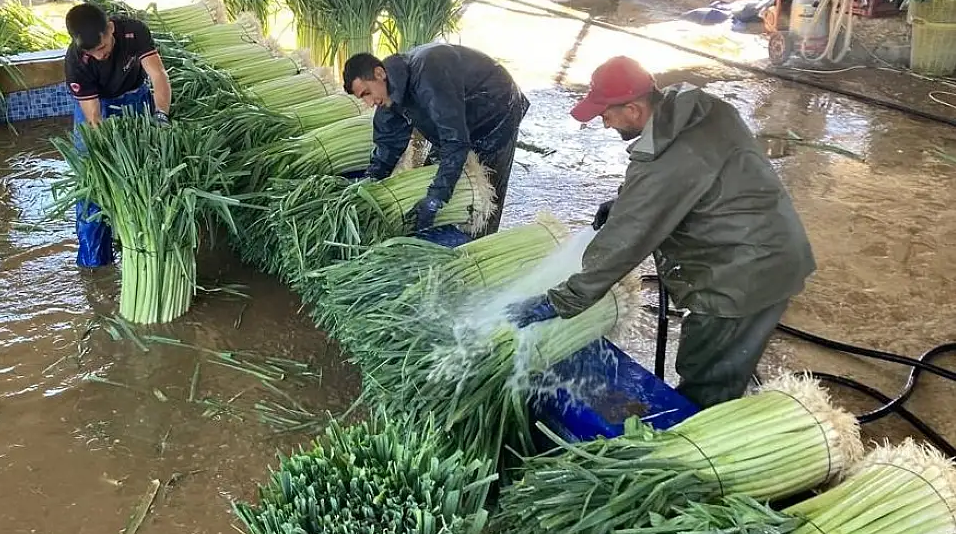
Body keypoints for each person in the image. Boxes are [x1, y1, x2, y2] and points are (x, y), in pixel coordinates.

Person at [507, 55, 816, 409]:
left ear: (635, 110)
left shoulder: (669, 160)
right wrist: (624, 200)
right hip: (766, 245)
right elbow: (684, 182)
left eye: (606, 114)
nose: (605, 125)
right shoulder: (700, 110)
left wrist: (559, 301)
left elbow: (622, 246)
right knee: (724, 363)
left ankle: (698, 439)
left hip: (741, 275)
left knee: (706, 377)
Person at [342, 44, 529, 236]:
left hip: (496, 110)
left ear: (379, 73)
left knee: (483, 198)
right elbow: (388, 143)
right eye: (362, 98)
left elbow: (455, 140)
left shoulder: (429, 74)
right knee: (437, 180)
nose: (369, 102)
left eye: (367, 93)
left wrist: (435, 198)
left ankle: (480, 246)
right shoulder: (389, 93)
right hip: (456, 117)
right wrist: (370, 179)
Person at [63, 2, 173, 267]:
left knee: (149, 172)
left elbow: (158, 76)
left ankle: (144, 248)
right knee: (93, 182)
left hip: (136, 100)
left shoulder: (133, 32)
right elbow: (94, 118)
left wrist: (161, 117)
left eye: (102, 47)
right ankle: (95, 261)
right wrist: (107, 157)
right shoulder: (76, 61)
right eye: (92, 51)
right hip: (99, 107)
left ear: (110, 29)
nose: (100, 55)